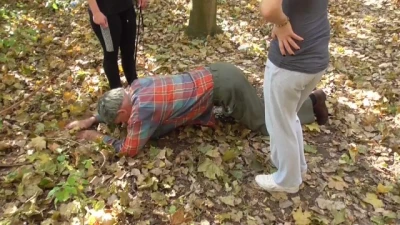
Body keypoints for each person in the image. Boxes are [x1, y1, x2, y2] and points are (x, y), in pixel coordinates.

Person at [65, 62, 328, 158]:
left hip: (224, 86)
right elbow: (120, 112)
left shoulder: (142, 111)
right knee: (256, 106)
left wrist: (96, 137)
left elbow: (129, 149)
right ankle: (301, 103)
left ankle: (312, 106)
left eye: (119, 122)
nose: (121, 125)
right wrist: (91, 119)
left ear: (124, 114)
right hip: (215, 72)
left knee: (263, 124)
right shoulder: (134, 87)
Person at [256, 0, 331, 193]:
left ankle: (287, 180)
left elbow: (269, 9)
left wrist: (282, 23)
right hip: (316, 55)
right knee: (289, 116)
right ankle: (298, 169)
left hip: (290, 61)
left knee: (280, 122)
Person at [88, 0, 148, 89]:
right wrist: (96, 12)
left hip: (126, 8)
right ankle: (117, 93)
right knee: (111, 54)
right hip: (105, 13)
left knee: (129, 51)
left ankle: (135, 87)